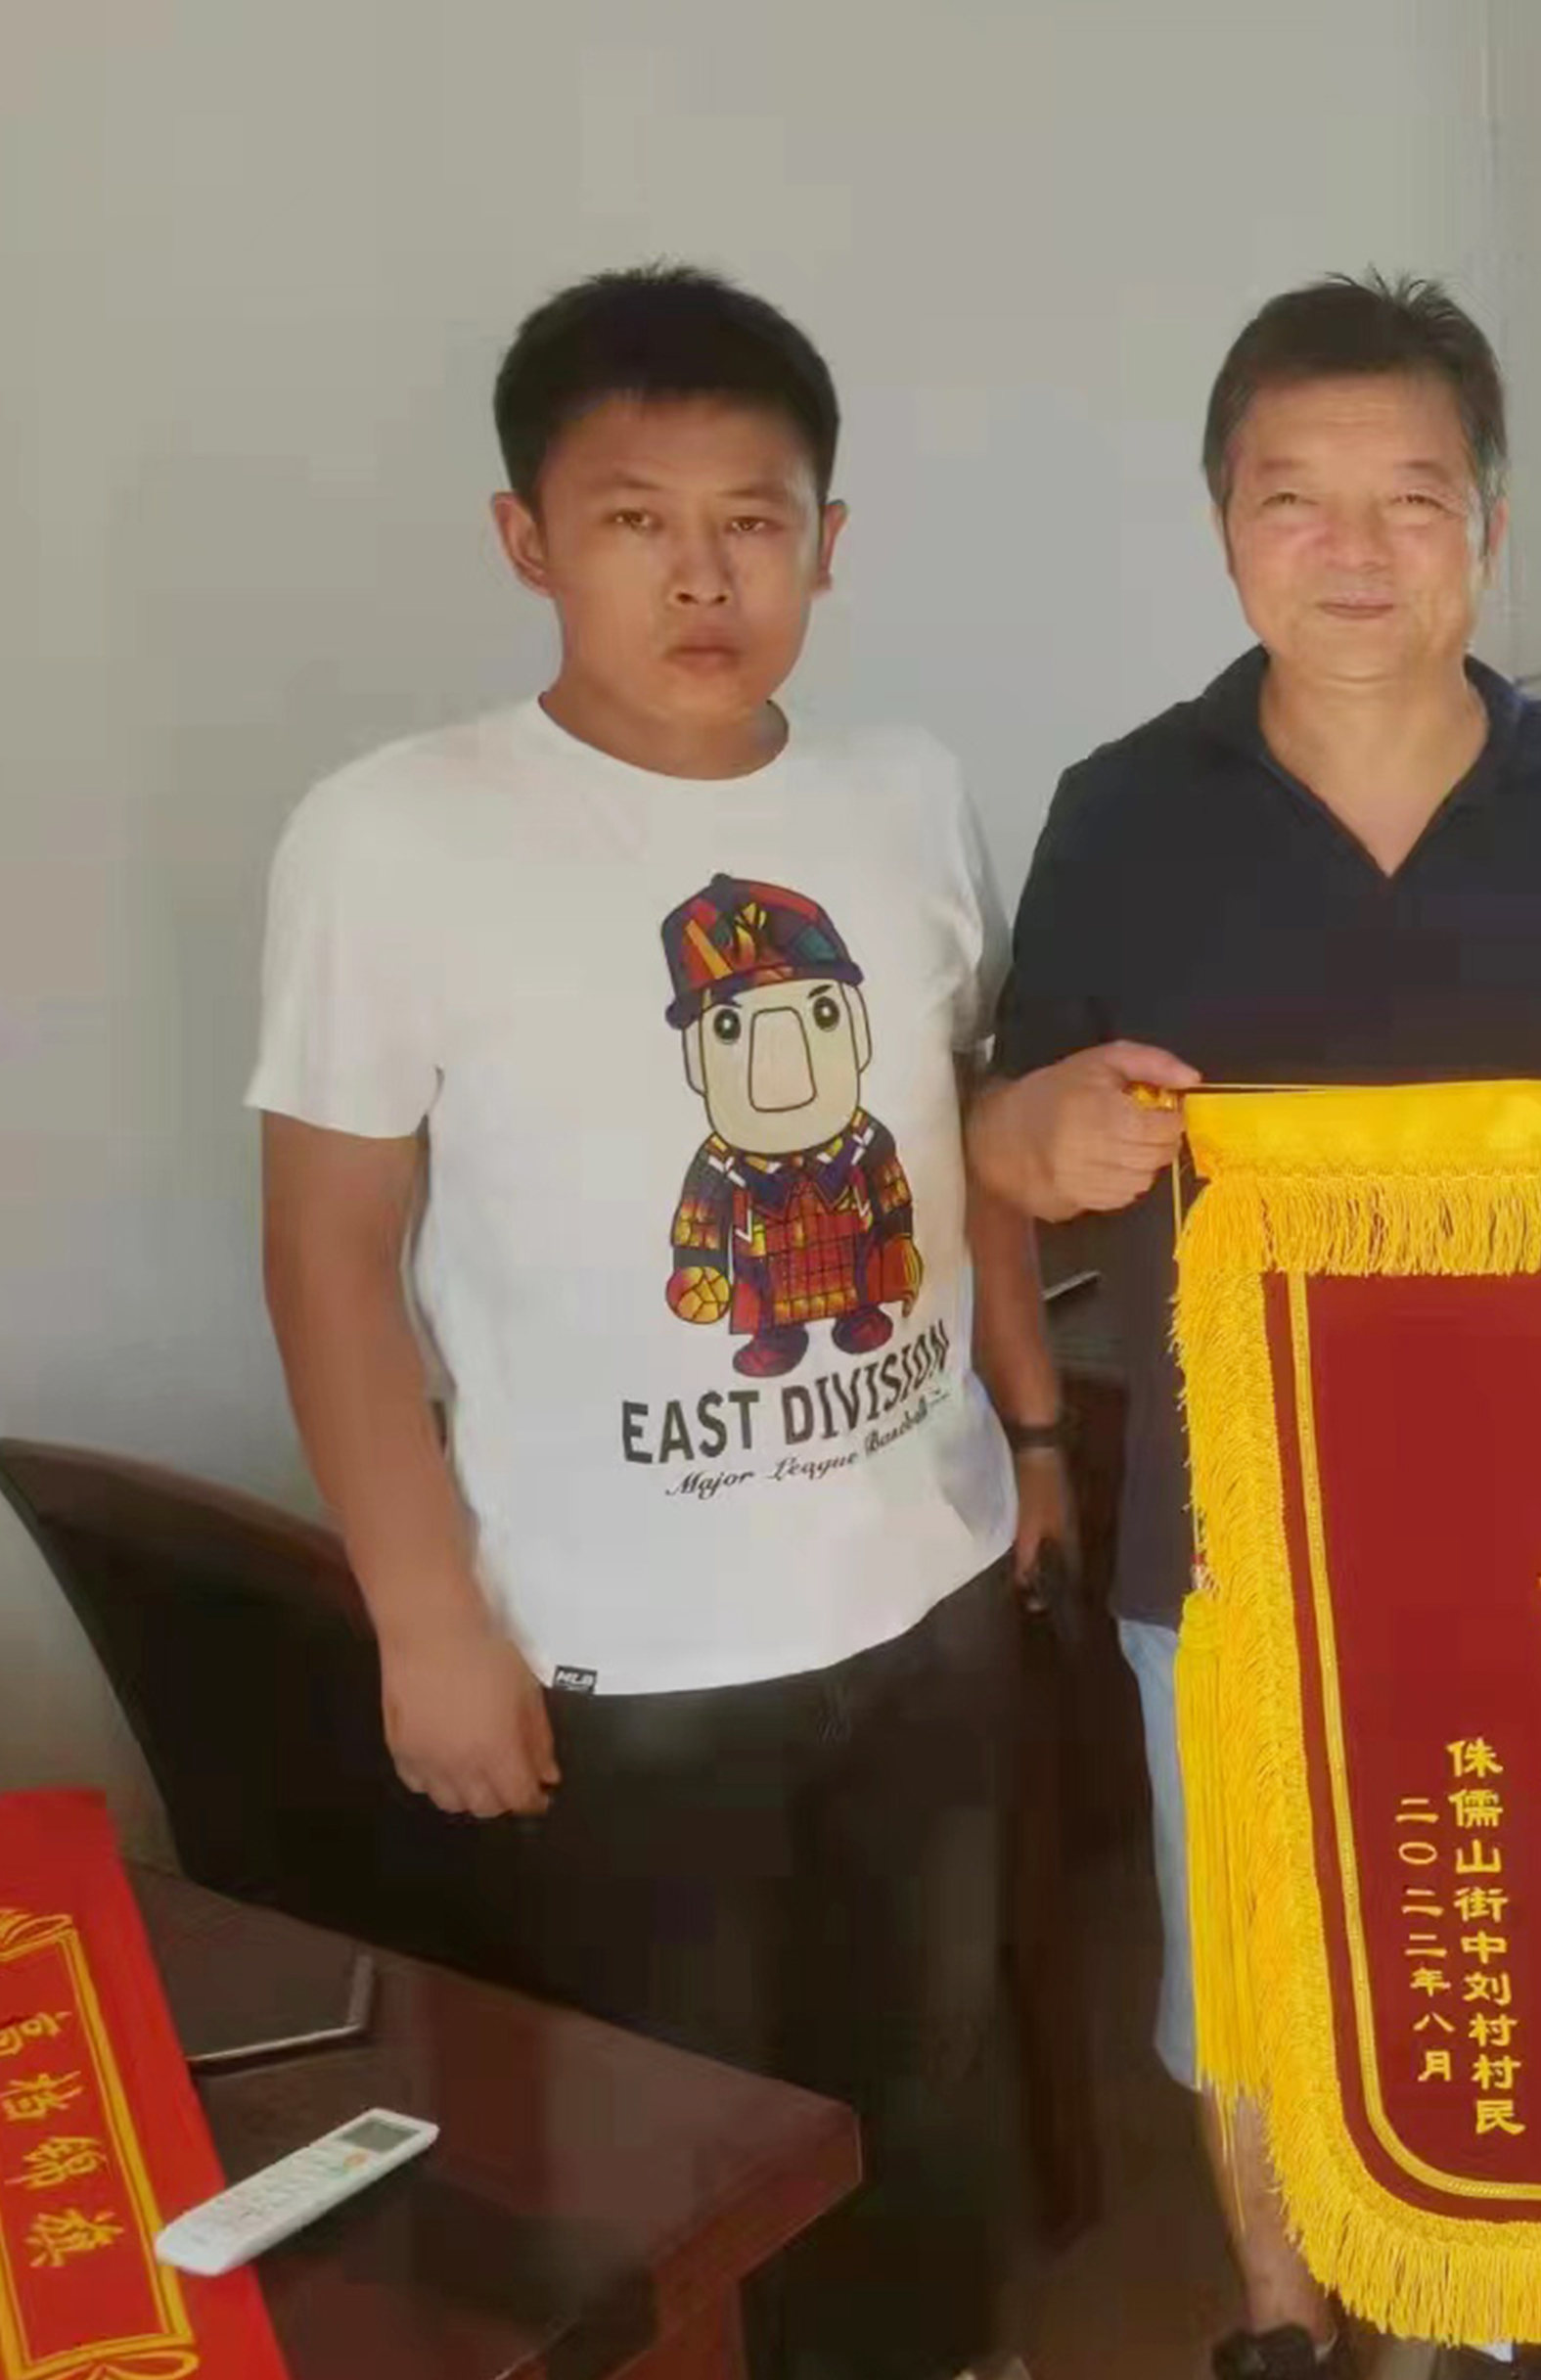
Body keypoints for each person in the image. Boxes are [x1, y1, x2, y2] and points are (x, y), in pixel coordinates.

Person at [249, 265, 1063, 2380]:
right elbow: (330, 1251)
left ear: (827, 543)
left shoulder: (907, 792)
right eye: (635, 520)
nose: (702, 576)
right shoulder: (399, 833)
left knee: (928, 2068)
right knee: (676, 2139)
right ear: (527, 537)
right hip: (619, 1656)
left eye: (752, 521)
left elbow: (962, 1136)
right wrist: (426, 1622)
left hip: (926, 1591)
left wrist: (1034, 1436)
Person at [971, 271, 1541, 2380]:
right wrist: (1043, 1130)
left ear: (1488, 522)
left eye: (1410, 497)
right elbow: (1006, 1137)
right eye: (1291, 498)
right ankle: (1284, 2317)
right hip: (1239, 1522)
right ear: (1225, 526)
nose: (1353, 549)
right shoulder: (1123, 808)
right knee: (1257, 1954)